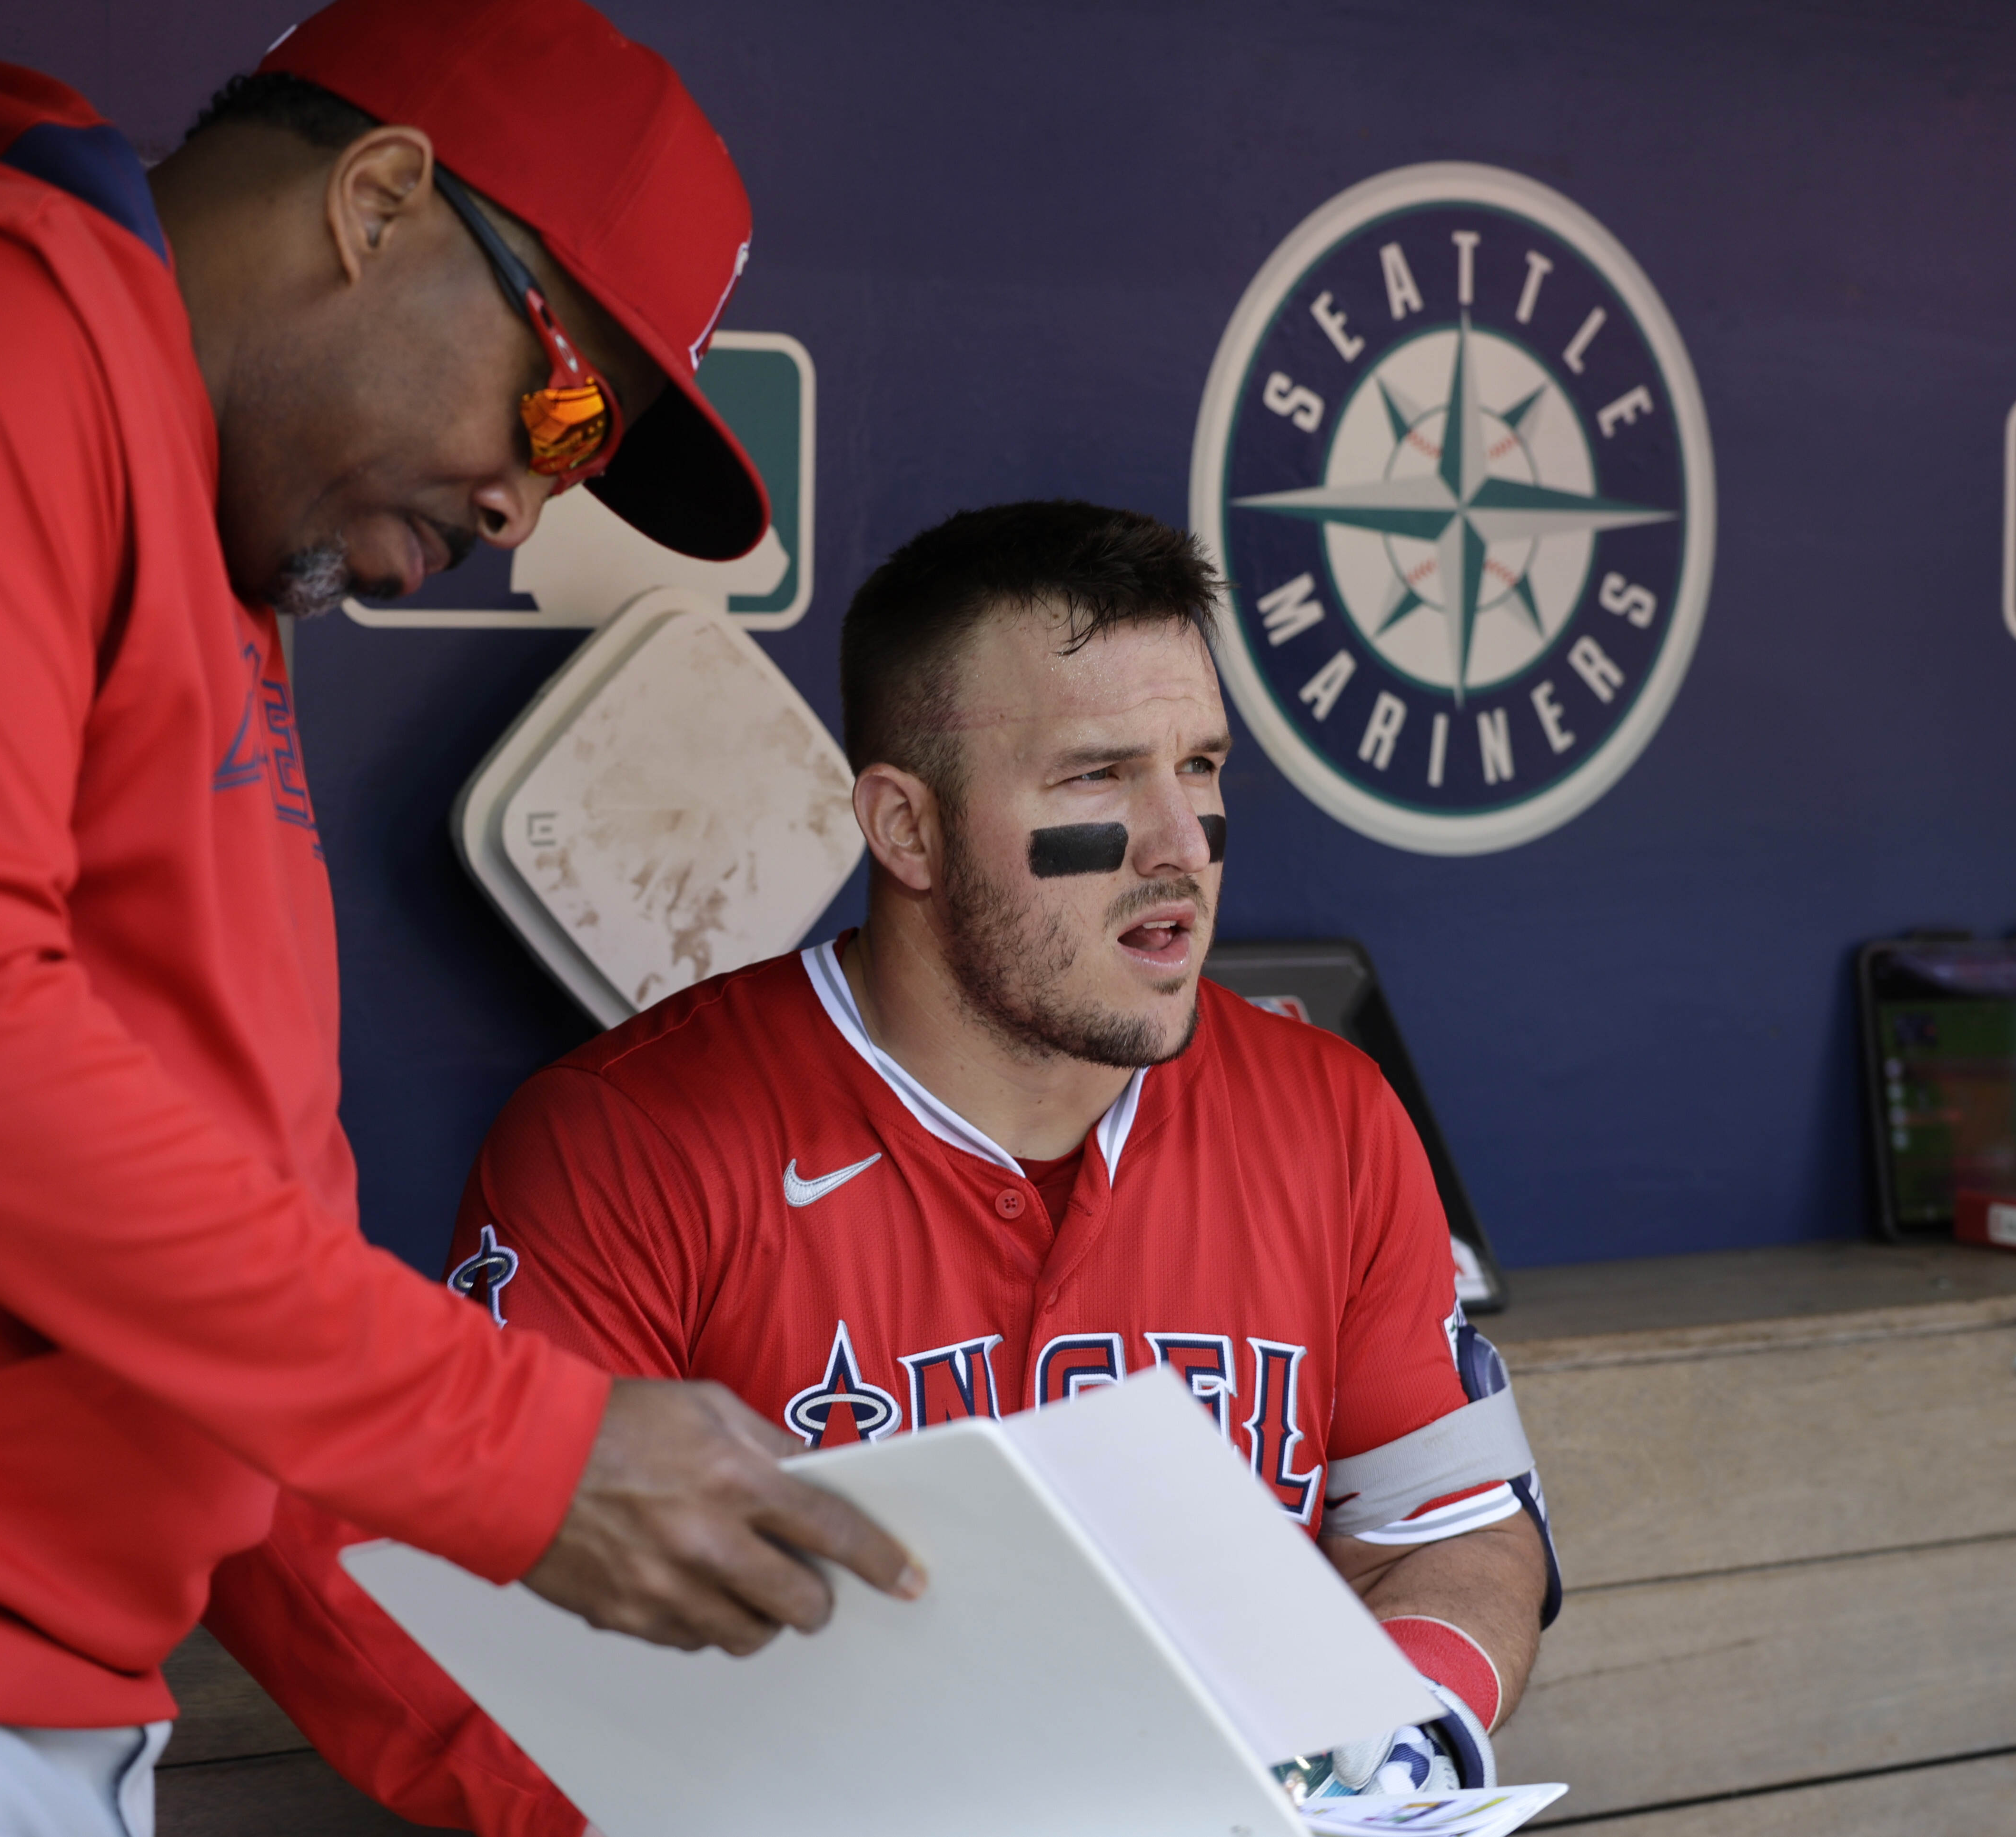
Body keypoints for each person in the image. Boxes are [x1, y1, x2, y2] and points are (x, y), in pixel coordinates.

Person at [0, 2, 918, 1831]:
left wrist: (600, 1804)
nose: (528, 499)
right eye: (562, 400)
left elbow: (237, 1341)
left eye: (581, 459)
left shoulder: (211, 570)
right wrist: (527, 1445)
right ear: (377, 199)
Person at [249, 500, 1561, 1829]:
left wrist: (1388, 1741)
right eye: (1097, 777)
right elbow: (468, 1625)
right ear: (906, 829)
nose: (1182, 843)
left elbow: (1448, 1526)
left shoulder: (1329, 1116)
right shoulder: (629, 1143)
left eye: (1203, 765)